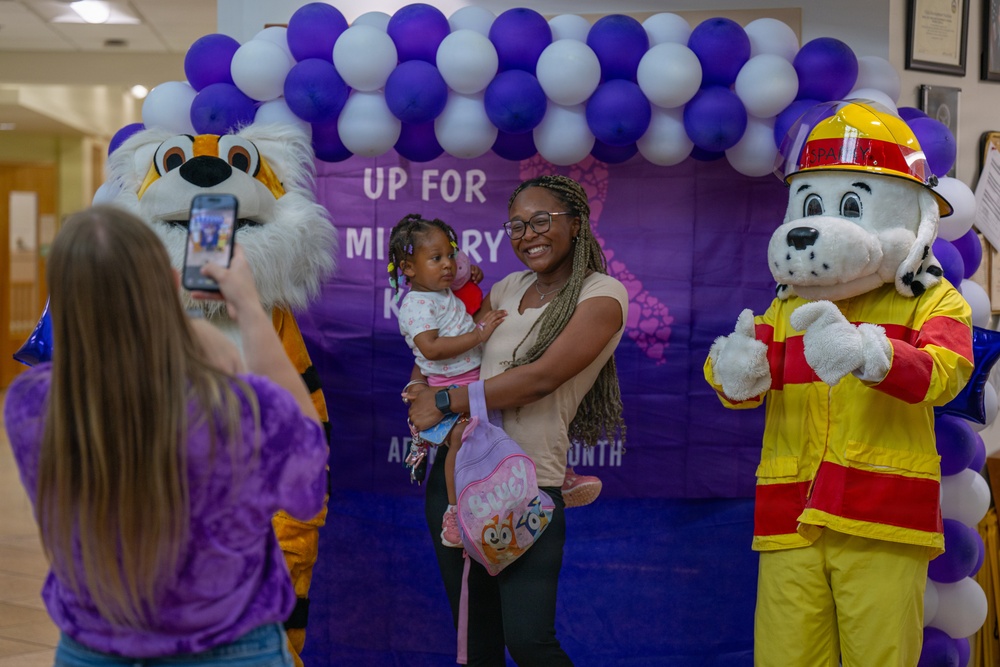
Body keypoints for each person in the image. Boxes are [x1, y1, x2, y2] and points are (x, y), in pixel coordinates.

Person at [2, 205, 328, 666]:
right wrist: (250, 312)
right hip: (229, 647)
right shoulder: (229, 404)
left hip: (90, 646)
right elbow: (307, 481)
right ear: (169, 282)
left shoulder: (31, 405)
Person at [407, 174, 628, 666]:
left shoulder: (602, 294)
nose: (528, 235)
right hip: (458, 481)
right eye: (517, 226)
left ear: (576, 224)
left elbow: (540, 378)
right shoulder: (507, 288)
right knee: (478, 643)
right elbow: (445, 348)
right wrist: (420, 387)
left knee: (529, 642)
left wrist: (447, 403)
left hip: (527, 482)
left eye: (542, 221)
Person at [388, 213, 507, 548]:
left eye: (450, 255)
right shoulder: (415, 304)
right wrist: (478, 335)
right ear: (409, 269)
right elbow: (432, 348)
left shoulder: (442, 287)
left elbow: (465, 271)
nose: (448, 265)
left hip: (474, 379)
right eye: (436, 258)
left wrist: (471, 272)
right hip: (451, 386)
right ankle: (454, 512)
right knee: (460, 439)